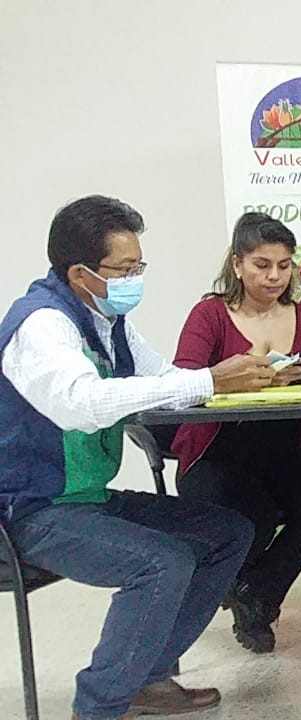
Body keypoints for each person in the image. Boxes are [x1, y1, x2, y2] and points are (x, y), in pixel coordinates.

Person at [0, 196, 271, 720]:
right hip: (30, 509)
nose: (134, 280)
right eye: (124, 270)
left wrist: (257, 377)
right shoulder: (41, 326)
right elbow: (81, 404)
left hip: (86, 498)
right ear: (79, 273)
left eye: (138, 267)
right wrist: (209, 380)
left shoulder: (107, 322)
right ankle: (98, 706)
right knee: (161, 562)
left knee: (228, 533)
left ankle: (146, 678)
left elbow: (166, 382)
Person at [170, 212, 301, 654]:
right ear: (237, 264)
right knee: (249, 514)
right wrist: (226, 378)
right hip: (215, 452)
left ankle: (255, 593)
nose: (275, 276)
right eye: (262, 265)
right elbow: (181, 381)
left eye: (284, 265)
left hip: (281, 451)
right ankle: (249, 596)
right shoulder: (210, 314)